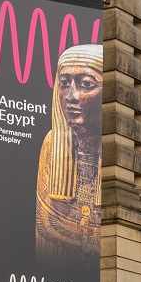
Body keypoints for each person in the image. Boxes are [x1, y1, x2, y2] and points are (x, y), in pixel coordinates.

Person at [34, 44, 103, 264]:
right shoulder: (52, 143)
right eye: (64, 84)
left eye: (86, 84)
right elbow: (46, 223)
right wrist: (92, 240)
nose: (71, 96)